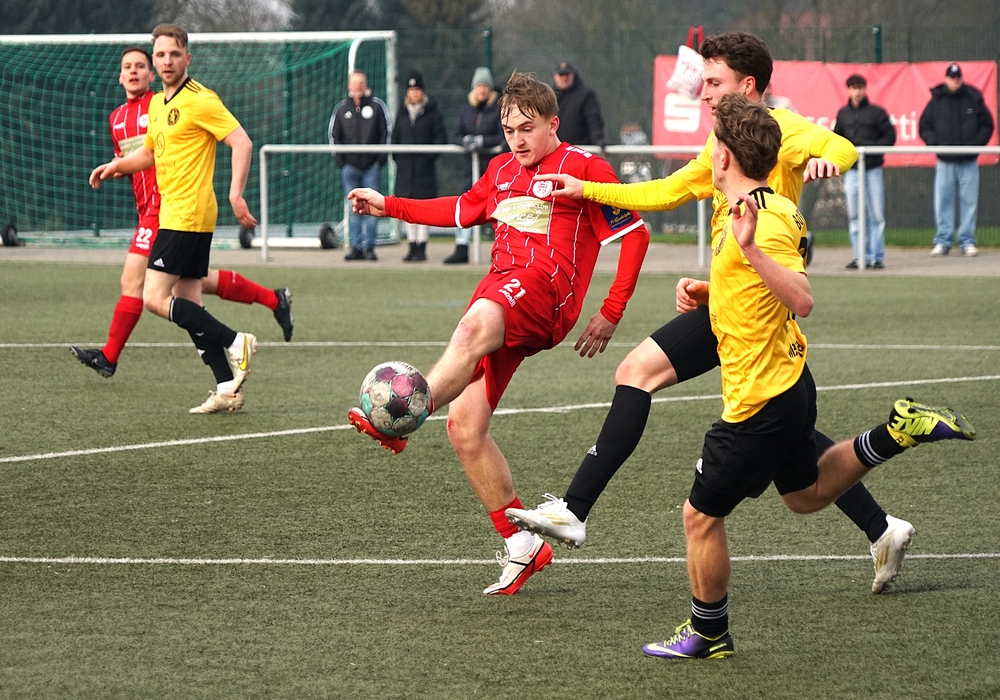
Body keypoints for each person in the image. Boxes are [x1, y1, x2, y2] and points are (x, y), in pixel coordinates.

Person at [507, 31, 917, 595]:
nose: (702, 92)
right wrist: (586, 189)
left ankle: (575, 510)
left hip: (757, 309)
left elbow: (843, 148)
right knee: (785, 438)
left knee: (663, 385)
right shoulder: (720, 142)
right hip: (733, 300)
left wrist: (828, 161)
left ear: (748, 86)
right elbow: (666, 191)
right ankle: (881, 526)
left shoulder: (782, 129)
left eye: (714, 82)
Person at [639, 93, 975, 660]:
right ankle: (896, 432)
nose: (707, 154)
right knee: (805, 494)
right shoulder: (761, 207)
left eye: (712, 145)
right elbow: (757, 286)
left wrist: (750, 250)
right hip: (788, 383)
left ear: (724, 156)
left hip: (758, 400)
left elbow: (801, 296)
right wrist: (711, 290)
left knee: (699, 516)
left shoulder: (759, 220)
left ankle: (709, 633)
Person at [347, 71, 650, 596]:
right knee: (465, 428)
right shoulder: (501, 169)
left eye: (527, 129)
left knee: (474, 325)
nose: (517, 140)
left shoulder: (584, 166)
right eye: (510, 130)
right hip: (502, 289)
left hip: (545, 292)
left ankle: (404, 414)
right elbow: (459, 209)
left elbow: (635, 233)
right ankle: (522, 544)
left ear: (553, 124)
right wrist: (388, 204)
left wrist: (611, 310)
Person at [71, 45, 292, 384]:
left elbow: (216, 143)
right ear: (119, 76)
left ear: (152, 74)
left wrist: (233, 193)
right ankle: (257, 325)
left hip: (169, 208)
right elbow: (139, 157)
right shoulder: (116, 118)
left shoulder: (163, 104)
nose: (134, 71)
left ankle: (110, 356)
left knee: (138, 284)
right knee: (192, 288)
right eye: (127, 66)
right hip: (149, 209)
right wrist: (116, 166)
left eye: (140, 65)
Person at [89, 24, 259, 415]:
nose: (167, 61)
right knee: (187, 302)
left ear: (187, 58)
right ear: (155, 61)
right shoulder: (157, 105)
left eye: (174, 54)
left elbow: (242, 142)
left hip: (187, 213)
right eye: (161, 55)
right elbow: (150, 154)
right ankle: (225, 386)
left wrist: (235, 194)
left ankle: (237, 341)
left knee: (153, 297)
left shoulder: (200, 99)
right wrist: (115, 166)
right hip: (177, 213)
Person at [919, 63, 995, 257]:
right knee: (943, 201)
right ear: (946, 79)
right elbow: (924, 126)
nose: (955, 81)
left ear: (961, 78)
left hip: (968, 162)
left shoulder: (973, 98)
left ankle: (967, 241)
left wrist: (976, 145)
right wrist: (935, 144)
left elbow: (987, 125)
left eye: (958, 78)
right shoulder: (936, 100)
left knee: (969, 202)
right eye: (952, 78)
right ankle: (943, 241)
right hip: (945, 162)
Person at [834, 74, 896, 270]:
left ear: (865, 89)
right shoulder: (843, 114)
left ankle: (876, 256)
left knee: (876, 215)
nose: (857, 92)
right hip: (852, 172)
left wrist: (870, 149)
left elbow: (890, 136)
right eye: (853, 88)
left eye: (860, 87)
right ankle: (860, 256)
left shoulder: (877, 113)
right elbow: (836, 139)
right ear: (849, 90)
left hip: (873, 170)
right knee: (855, 215)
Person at [329, 71, 390, 261]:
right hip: (350, 167)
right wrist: (341, 161)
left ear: (366, 85)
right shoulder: (341, 109)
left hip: (372, 166)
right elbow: (334, 136)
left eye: (361, 83)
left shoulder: (377, 106)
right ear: (349, 86)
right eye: (355, 83)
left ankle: (369, 246)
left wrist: (380, 160)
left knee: (373, 207)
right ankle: (356, 246)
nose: (358, 86)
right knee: (353, 208)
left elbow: (385, 133)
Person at [446, 66, 504, 265]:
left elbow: (502, 136)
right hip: (470, 170)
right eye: (479, 86)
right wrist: (465, 141)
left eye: (485, 86)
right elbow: (456, 134)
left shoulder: (498, 109)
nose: (482, 90)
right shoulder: (466, 110)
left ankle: (500, 250)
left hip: (492, 169)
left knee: (497, 207)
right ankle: (461, 247)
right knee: (466, 205)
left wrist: (482, 141)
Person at [390, 70, 447, 262]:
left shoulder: (432, 112)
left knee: (423, 208)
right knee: (407, 207)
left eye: (417, 90)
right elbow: (395, 138)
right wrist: (399, 159)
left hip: (424, 171)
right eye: (411, 90)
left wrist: (426, 159)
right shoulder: (402, 112)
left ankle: (422, 246)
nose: (414, 94)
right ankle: (411, 244)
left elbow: (440, 139)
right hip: (405, 171)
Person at [552, 60, 605, 148]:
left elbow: (593, 119)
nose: (564, 78)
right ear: (555, 76)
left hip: (581, 148)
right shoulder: (550, 96)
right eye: (561, 75)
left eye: (567, 75)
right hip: (557, 149)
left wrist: (598, 140)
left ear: (573, 75)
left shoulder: (586, 94)